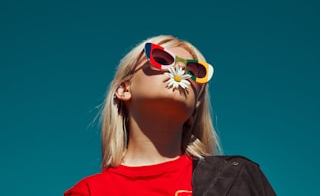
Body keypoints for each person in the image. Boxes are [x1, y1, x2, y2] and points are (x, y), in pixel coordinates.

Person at [64, 35, 276, 195]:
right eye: (161, 57)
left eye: (196, 70)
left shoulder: (234, 178)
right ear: (124, 89)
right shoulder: (89, 191)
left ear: (196, 105)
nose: (180, 71)